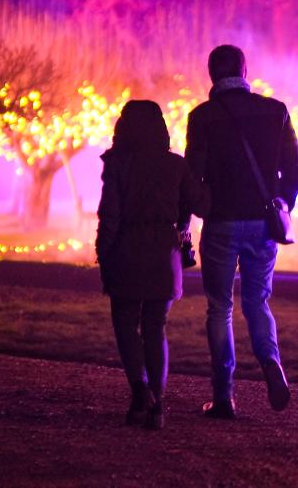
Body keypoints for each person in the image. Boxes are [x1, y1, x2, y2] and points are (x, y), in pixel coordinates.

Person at [185, 45, 298, 419]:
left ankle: (224, 397)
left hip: (220, 222)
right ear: (244, 70)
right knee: (258, 302)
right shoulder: (275, 112)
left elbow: (193, 175)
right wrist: (281, 201)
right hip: (261, 223)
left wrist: (194, 211)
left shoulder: (202, 117)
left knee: (219, 307)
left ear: (211, 75)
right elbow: (295, 167)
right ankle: (270, 361)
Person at [96, 100, 209, 430]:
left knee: (127, 325)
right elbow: (199, 203)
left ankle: (139, 394)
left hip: (127, 250)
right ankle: (158, 403)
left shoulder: (118, 165)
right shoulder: (175, 166)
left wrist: (105, 255)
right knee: (156, 327)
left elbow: (110, 214)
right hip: (163, 252)